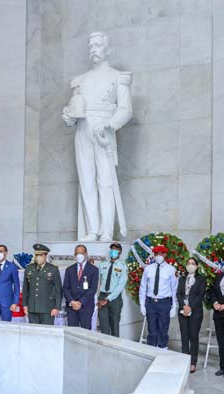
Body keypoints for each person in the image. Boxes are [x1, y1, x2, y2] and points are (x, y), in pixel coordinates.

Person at [62, 31, 133, 241]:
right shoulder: (80, 81)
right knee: (87, 182)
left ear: (107, 49)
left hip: (104, 130)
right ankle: (92, 229)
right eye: (91, 46)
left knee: (106, 181)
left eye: (98, 45)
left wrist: (109, 124)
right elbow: (74, 108)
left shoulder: (118, 77)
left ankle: (106, 231)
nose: (93, 50)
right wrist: (68, 116)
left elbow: (126, 109)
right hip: (83, 129)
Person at [138, 245, 178, 348]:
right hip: (150, 303)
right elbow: (143, 287)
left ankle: (162, 348)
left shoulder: (171, 269)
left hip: (164, 303)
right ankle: (151, 349)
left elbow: (174, 289)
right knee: (151, 329)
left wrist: (174, 306)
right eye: (156, 254)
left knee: (163, 329)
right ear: (154, 255)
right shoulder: (148, 269)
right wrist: (142, 304)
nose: (158, 256)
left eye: (161, 254)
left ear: (165, 255)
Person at [177, 257, 207, 373]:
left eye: (193, 263)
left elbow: (200, 295)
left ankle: (193, 362)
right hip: (182, 311)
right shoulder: (182, 278)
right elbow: (178, 294)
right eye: (188, 263)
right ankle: (185, 360)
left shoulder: (201, 279)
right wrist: (183, 306)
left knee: (193, 336)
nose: (190, 265)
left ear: (197, 266)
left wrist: (190, 307)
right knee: (184, 336)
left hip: (195, 312)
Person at [22, 244, 62, 325]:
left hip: (47, 308)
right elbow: (25, 289)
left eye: (40, 255)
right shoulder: (29, 268)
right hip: (32, 307)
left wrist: (57, 307)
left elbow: (58, 290)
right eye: (37, 255)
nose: (38, 257)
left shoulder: (53, 269)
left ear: (45, 256)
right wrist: (25, 305)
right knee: (33, 331)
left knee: (47, 331)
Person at [63, 245, 99, 329]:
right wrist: (72, 302)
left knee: (85, 333)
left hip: (86, 307)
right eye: (77, 253)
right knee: (72, 332)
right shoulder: (69, 269)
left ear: (86, 254)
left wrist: (80, 302)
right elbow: (65, 288)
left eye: (81, 253)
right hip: (71, 308)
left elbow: (93, 289)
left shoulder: (94, 270)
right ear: (74, 255)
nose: (79, 255)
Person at [97, 243, 127, 336]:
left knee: (114, 326)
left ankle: (114, 345)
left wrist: (108, 299)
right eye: (112, 249)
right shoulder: (102, 265)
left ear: (120, 252)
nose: (113, 251)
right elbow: (97, 280)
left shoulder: (123, 266)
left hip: (115, 299)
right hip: (102, 296)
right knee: (103, 327)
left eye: (116, 249)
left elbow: (120, 286)